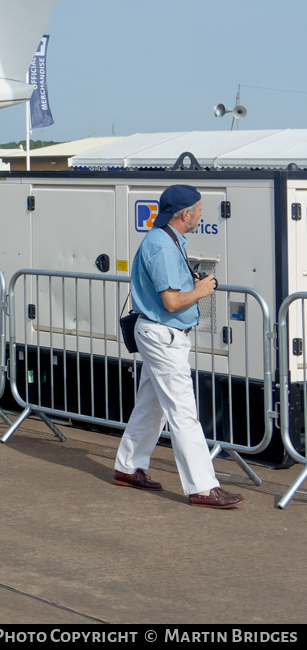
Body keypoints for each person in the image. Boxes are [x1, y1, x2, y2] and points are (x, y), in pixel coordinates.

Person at [113, 185, 242, 508]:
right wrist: (201, 290)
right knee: (183, 411)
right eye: (199, 209)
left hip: (160, 334)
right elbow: (171, 302)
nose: (201, 214)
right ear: (185, 214)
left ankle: (128, 467)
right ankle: (202, 486)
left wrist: (192, 283)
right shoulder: (163, 247)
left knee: (151, 406)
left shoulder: (166, 240)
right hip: (164, 335)